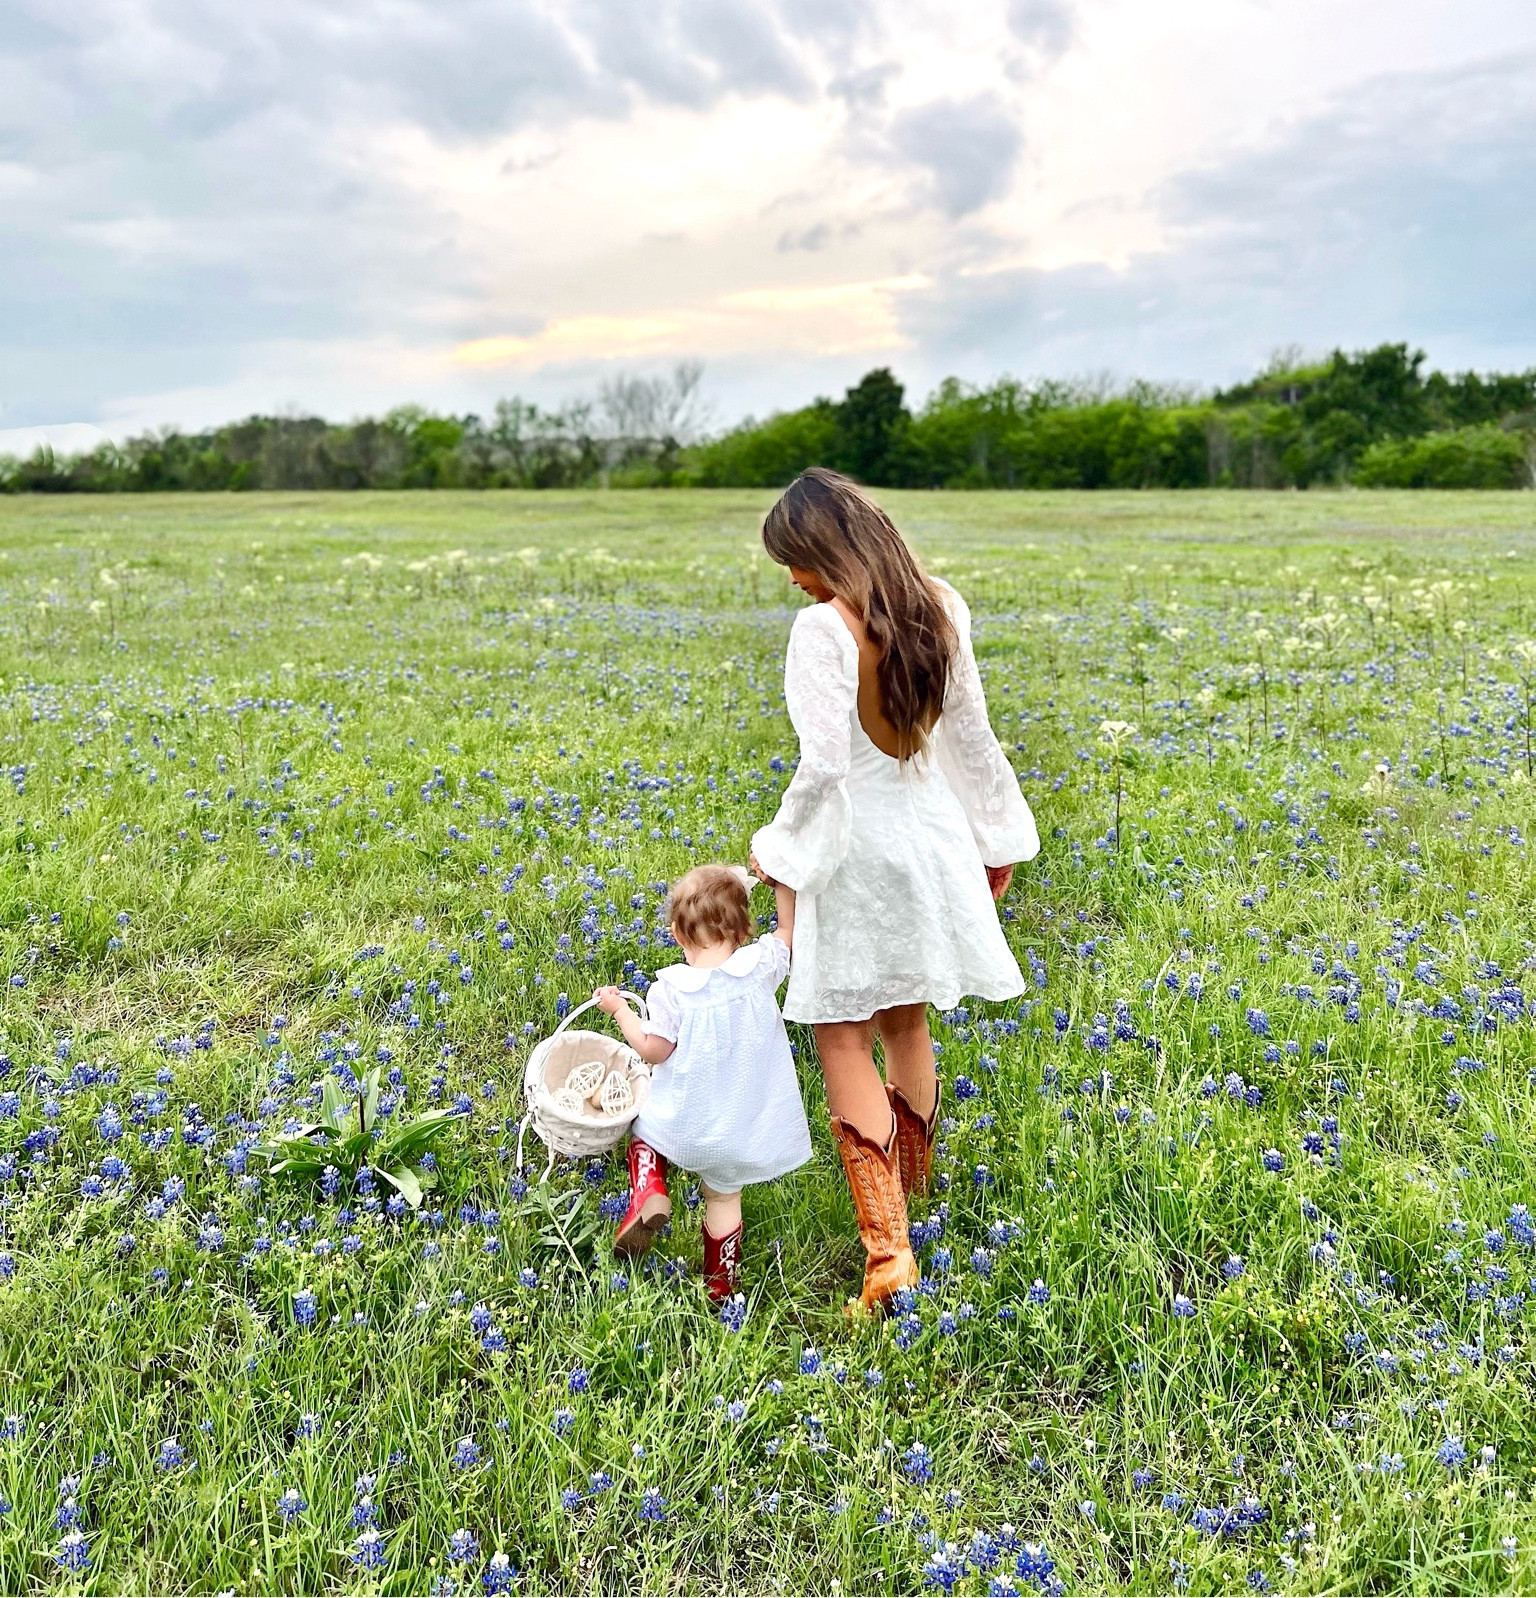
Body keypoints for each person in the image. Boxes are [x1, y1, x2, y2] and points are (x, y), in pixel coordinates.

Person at [749, 467, 1039, 1313]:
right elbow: (974, 737)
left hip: (856, 846)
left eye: (793, 561)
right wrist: (993, 837)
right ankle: (917, 1190)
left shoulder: (822, 629)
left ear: (823, 549)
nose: (792, 580)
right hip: (932, 833)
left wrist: (781, 847)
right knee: (906, 1015)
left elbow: (825, 766)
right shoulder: (939, 604)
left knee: (841, 1034)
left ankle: (889, 1256)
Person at [593, 864, 810, 1304]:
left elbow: (654, 1050)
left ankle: (650, 1190)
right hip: (742, 1131)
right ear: (744, 930)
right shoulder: (761, 965)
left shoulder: (673, 988)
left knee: (643, 1131)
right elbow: (789, 930)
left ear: (676, 932)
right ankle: (720, 1286)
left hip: (684, 1126)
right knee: (724, 1199)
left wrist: (620, 1011)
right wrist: (783, 880)